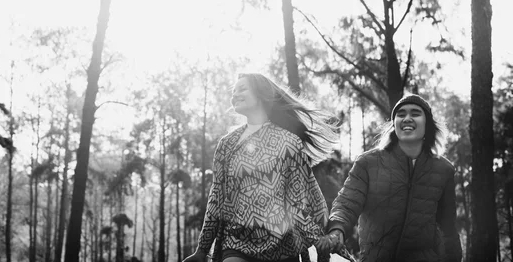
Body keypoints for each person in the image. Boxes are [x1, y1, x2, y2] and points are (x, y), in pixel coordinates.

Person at [182, 73, 341, 262]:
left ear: (261, 95)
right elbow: (216, 199)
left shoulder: (289, 142)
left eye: (242, 89)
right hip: (236, 242)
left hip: (282, 246)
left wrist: (318, 238)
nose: (234, 95)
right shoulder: (227, 144)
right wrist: (202, 249)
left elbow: (298, 201)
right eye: (233, 91)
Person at [325, 94, 463, 262]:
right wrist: (337, 229)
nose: (407, 118)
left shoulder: (444, 169)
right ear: (394, 124)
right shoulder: (367, 163)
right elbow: (347, 203)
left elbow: (448, 228)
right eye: (401, 114)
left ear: (427, 124)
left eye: (415, 113)